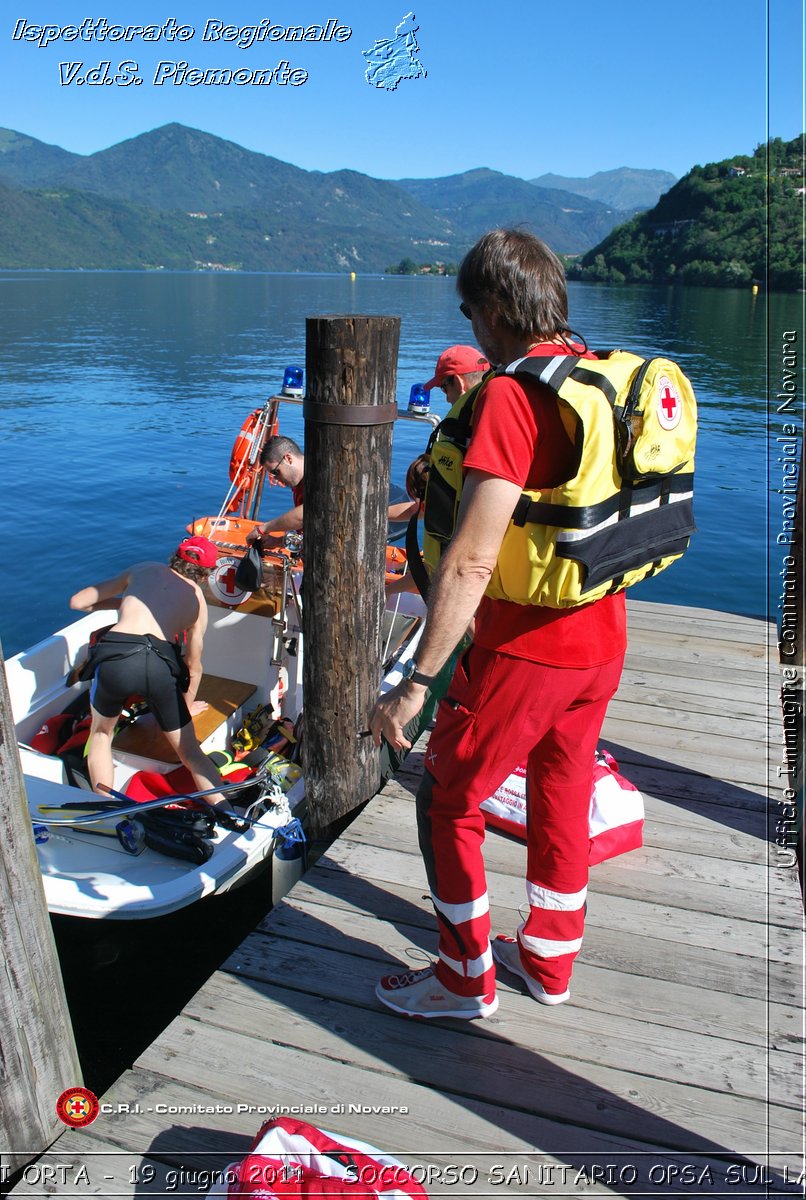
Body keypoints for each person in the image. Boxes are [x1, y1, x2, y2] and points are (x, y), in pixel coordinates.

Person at [369, 228, 627, 1019]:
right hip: (602, 632)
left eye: (470, 311)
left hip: (525, 646)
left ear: (491, 308)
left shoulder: (514, 397)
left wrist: (415, 685)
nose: (472, 328)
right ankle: (549, 963)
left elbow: (473, 560)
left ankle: (461, 980)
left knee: (451, 799)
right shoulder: (595, 380)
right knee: (560, 788)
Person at [69, 536, 229, 810]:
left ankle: (105, 807)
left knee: (101, 735)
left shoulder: (144, 569)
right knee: (191, 754)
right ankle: (229, 813)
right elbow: (193, 665)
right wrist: (186, 706)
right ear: (206, 574)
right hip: (158, 663)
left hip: (115, 656)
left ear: (174, 557)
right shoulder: (197, 601)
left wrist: (127, 602)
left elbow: (78, 602)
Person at [248, 435, 306, 547]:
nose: (276, 479)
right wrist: (279, 541)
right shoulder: (297, 485)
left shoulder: (319, 478)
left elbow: (305, 515)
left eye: (276, 472)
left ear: (288, 459)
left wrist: (264, 528)